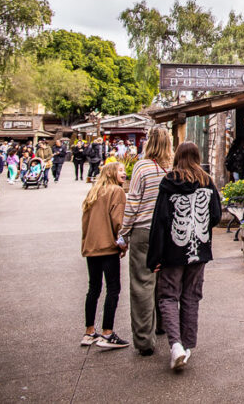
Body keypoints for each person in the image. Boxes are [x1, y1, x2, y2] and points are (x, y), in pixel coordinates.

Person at [147, 142, 222, 372]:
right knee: (191, 296)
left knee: (168, 296)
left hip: (172, 251)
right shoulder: (207, 181)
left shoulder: (169, 182)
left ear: (177, 156)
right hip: (199, 249)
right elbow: (216, 216)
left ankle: (176, 344)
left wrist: (155, 256)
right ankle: (187, 345)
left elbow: (160, 221)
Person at [120, 126, 174, 357]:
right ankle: (162, 325)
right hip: (168, 231)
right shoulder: (171, 169)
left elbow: (132, 203)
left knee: (143, 283)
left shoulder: (142, 167)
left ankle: (144, 340)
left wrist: (123, 232)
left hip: (144, 229)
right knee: (164, 280)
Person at [80, 162, 130, 349]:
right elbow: (119, 221)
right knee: (113, 289)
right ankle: (107, 332)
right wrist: (123, 243)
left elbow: (85, 221)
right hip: (108, 246)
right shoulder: (116, 192)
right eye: (120, 170)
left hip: (91, 246)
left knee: (93, 288)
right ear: (111, 173)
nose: (124, 173)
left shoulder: (93, 192)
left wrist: (85, 243)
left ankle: (89, 331)